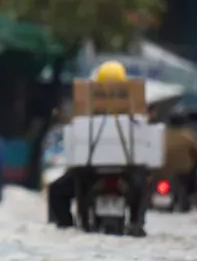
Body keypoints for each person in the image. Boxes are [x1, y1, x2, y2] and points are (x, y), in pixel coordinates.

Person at [47, 60, 147, 236]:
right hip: (126, 170)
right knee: (143, 187)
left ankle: (67, 227)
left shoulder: (85, 110)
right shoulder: (134, 113)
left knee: (56, 191)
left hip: (89, 170)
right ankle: (135, 223)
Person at [162, 106, 197, 209]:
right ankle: (189, 196)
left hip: (163, 168)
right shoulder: (188, 135)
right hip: (184, 170)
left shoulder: (162, 134)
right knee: (192, 176)